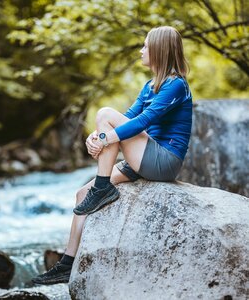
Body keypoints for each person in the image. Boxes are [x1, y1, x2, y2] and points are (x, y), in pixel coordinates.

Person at [32, 26, 193, 285]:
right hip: (144, 157)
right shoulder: (150, 86)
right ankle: (66, 264)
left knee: (105, 114)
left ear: (160, 51)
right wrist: (95, 137)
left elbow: (143, 121)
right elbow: (127, 118)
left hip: (164, 161)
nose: (141, 51)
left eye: (145, 46)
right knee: (82, 195)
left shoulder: (176, 85)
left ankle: (103, 187)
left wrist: (106, 135)